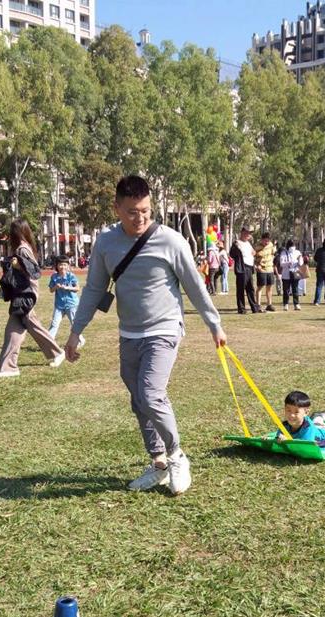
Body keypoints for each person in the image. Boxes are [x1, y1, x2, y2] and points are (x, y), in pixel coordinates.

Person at [64, 175, 226, 496]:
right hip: (129, 332)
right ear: (116, 208)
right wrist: (75, 331)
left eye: (146, 211)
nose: (140, 218)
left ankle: (177, 456)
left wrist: (214, 324)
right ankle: (159, 463)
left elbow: (194, 286)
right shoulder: (106, 243)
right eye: (132, 212)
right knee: (139, 400)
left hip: (165, 328)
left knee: (151, 393)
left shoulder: (171, 241)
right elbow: (94, 288)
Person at [0, 220, 65, 378]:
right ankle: (8, 367)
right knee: (13, 330)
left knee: (31, 325)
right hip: (23, 293)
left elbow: (33, 271)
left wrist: (17, 265)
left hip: (25, 294)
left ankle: (57, 352)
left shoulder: (22, 249)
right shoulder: (24, 248)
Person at [47, 258, 84, 347]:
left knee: (74, 324)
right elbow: (51, 290)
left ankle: (80, 340)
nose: (62, 267)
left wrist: (67, 288)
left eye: (64, 265)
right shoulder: (54, 277)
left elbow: (77, 288)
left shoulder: (71, 276)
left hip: (71, 305)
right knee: (54, 324)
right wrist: (56, 287)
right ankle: (48, 343)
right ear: (57, 266)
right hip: (59, 305)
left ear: (68, 266)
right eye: (60, 264)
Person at [231, 227, 260, 314]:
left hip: (249, 267)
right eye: (247, 233)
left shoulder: (248, 243)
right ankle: (241, 308)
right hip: (242, 267)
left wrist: (254, 253)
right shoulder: (237, 243)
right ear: (242, 233)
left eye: (249, 233)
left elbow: (252, 252)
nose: (248, 235)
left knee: (250, 289)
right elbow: (232, 254)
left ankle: (254, 307)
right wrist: (236, 249)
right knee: (241, 289)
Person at [276, 239, 305, 311]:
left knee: (295, 289)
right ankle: (286, 304)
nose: (292, 247)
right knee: (286, 290)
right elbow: (281, 264)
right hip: (286, 274)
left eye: (293, 245)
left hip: (295, 273)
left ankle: (296, 304)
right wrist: (288, 263)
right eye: (291, 246)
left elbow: (301, 263)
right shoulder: (283, 252)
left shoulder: (297, 252)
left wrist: (300, 260)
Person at [254, 232, 277, 312]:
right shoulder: (257, 246)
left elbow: (273, 253)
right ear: (262, 239)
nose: (267, 242)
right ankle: (258, 305)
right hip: (261, 269)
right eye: (265, 241)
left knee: (269, 287)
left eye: (268, 241)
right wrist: (256, 266)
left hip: (270, 269)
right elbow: (252, 257)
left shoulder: (271, 245)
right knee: (260, 287)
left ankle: (269, 304)